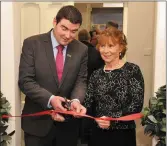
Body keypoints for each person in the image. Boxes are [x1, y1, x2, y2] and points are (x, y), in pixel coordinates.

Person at [19, 5, 87, 146]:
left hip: (67, 127)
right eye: (64, 28)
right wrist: (51, 99)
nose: (68, 36)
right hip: (37, 127)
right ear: (54, 22)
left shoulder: (82, 49)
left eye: (74, 31)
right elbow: (26, 81)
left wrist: (75, 101)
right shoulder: (32, 44)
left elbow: (80, 81)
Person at [84, 27, 144, 146]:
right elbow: (88, 103)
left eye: (110, 46)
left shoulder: (132, 70)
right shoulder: (96, 74)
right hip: (98, 134)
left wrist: (112, 119)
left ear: (121, 47)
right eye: (102, 46)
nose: (105, 51)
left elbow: (136, 104)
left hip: (123, 135)